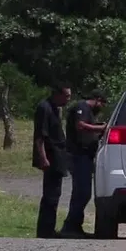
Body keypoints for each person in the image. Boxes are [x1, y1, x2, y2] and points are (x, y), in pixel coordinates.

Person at [60, 89, 108, 238]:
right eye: (102, 104)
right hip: (78, 155)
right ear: (97, 99)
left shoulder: (89, 112)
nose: (101, 107)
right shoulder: (82, 107)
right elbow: (80, 125)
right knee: (81, 192)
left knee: (83, 193)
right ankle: (70, 226)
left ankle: (75, 225)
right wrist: (101, 128)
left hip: (85, 156)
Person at [32, 83, 72, 239]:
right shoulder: (44, 108)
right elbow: (40, 136)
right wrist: (43, 158)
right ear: (57, 94)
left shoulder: (56, 109)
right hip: (50, 156)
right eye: (66, 96)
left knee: (55, 194)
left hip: (59, 156)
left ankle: (49, 228)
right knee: (50, 195)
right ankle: (44, 230)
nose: (68, 99)